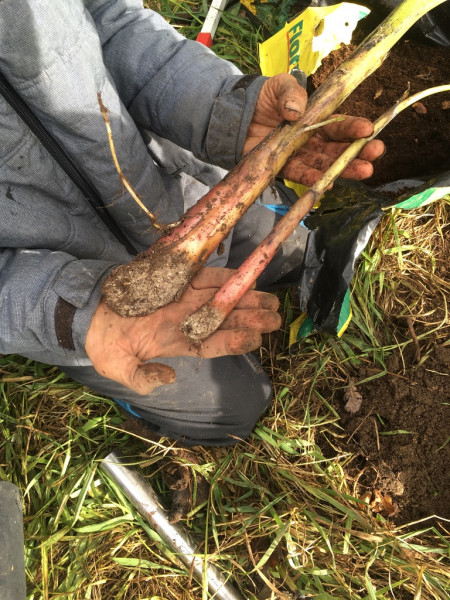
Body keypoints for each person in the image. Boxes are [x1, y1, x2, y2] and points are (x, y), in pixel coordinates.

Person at [0, 0, 384, 446]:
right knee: (237, 408)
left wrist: (225, 111)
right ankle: (123, 390)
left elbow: (108, 18)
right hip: (65, 298)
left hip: (168, 199)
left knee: (296, 251)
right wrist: (76, 316)